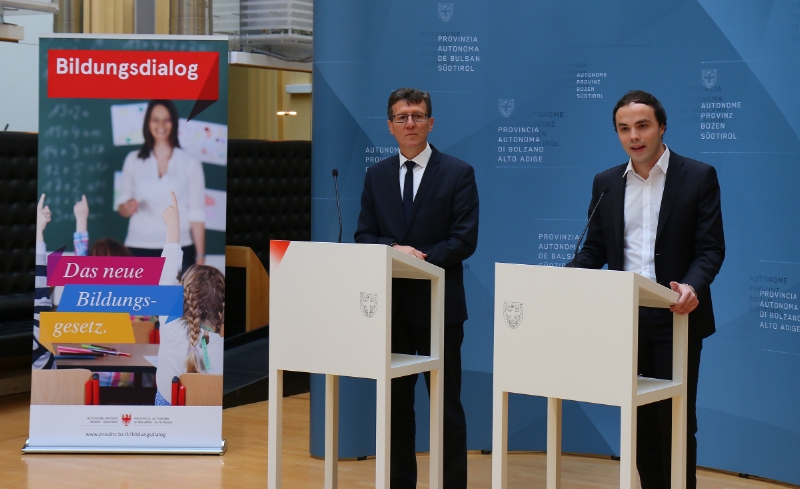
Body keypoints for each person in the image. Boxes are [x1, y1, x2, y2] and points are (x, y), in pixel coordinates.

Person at [573, 90, 725, 489]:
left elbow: (710, 248)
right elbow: (595, 249)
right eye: (624, 129)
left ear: (662, 127)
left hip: (677, 315)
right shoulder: (606, 183)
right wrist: (567, 278)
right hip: (626, 319)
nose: (634, 136)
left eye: (642, 126)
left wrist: (691, 286)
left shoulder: (698, 176)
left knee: (675, 420)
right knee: (639, 421)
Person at [355, 87, 479, 489]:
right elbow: (364, 235)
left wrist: (417, 259)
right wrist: (393, 249)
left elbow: (464, 239)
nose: (410, 123)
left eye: (418, 116)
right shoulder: (376, 176)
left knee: (446, 407)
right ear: (390, 126)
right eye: (402, 117)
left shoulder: (458, 172)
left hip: (439, 308)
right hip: (391, 311)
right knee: (396, 407)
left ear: (431, 123)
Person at [116, 99, 206, 273]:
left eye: (167, 119)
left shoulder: (190, 162)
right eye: (155, 119)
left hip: (180, 246)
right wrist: (127, 207)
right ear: (147, 123)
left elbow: (197, 213)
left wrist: (201, 256)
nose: (161, 125)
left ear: (174, 123)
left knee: (179, 292)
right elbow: (122, 206)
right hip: (138, 246)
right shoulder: (133, 159)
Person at [154, 191, 224, 406]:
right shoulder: (223, 349)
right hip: (209, 416)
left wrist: (173, 227)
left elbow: (166, 276)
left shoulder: (170, 325)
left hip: (168, 411)